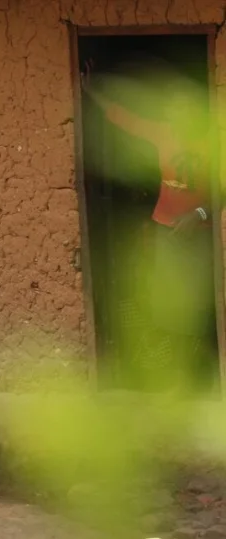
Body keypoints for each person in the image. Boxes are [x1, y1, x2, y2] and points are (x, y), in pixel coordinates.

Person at [82, 61, 215, 390]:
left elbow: (220, 196)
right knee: (164, 299)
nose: (176, 115)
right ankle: (169, 372)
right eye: (172, 109)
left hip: (198, 234)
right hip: (164, 231)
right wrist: (91, 89)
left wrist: (198, 215)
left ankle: (195, 371)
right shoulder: (162, 134)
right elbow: (122, 117)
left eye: (184, 108)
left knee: (196, 301)